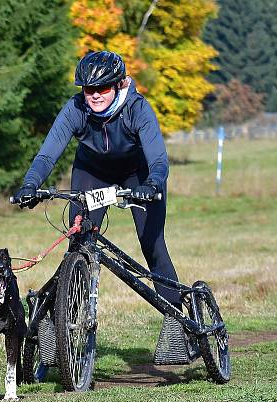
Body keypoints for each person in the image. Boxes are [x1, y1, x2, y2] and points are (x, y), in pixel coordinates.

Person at [13, 50, 180, 308]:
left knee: (153, 246)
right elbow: (47, 155)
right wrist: (30, 184)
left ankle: (177, 326)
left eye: (102, 88)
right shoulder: (76, 108)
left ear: (117, 84)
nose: (95, 95)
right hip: (93, 172)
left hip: (140, 175)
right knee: (79, 245)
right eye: (89, 88)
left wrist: (153, 184)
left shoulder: (137, 108)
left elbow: (158, 160)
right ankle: (68, 325)